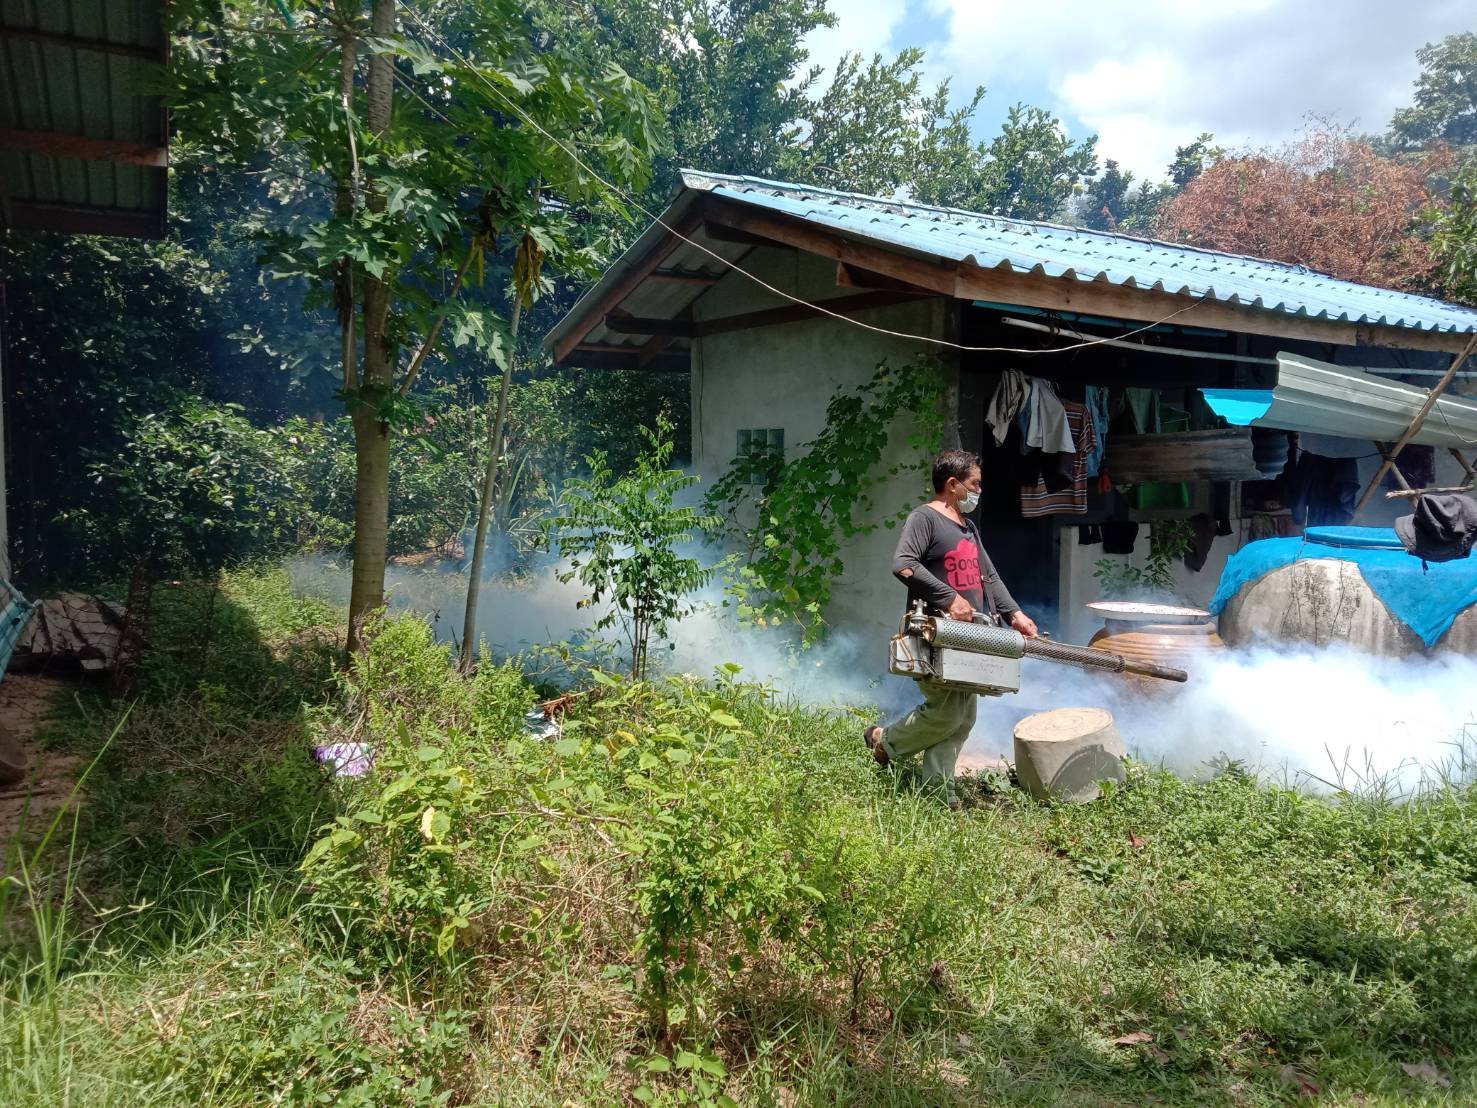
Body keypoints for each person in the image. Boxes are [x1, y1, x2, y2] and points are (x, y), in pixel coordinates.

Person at [864, 448, 1038, 808]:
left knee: (963, 719)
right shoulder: (924, 518)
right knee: (946, 712)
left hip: (969, 637)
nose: (979, 491)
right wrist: (949, 598)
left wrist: (1015, 613)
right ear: (953, 484)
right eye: (975, 484)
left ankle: (938, 794)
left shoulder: (968, 527)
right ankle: (886, 742)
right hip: (935, 632)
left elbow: (988, 576)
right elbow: (904, 564)